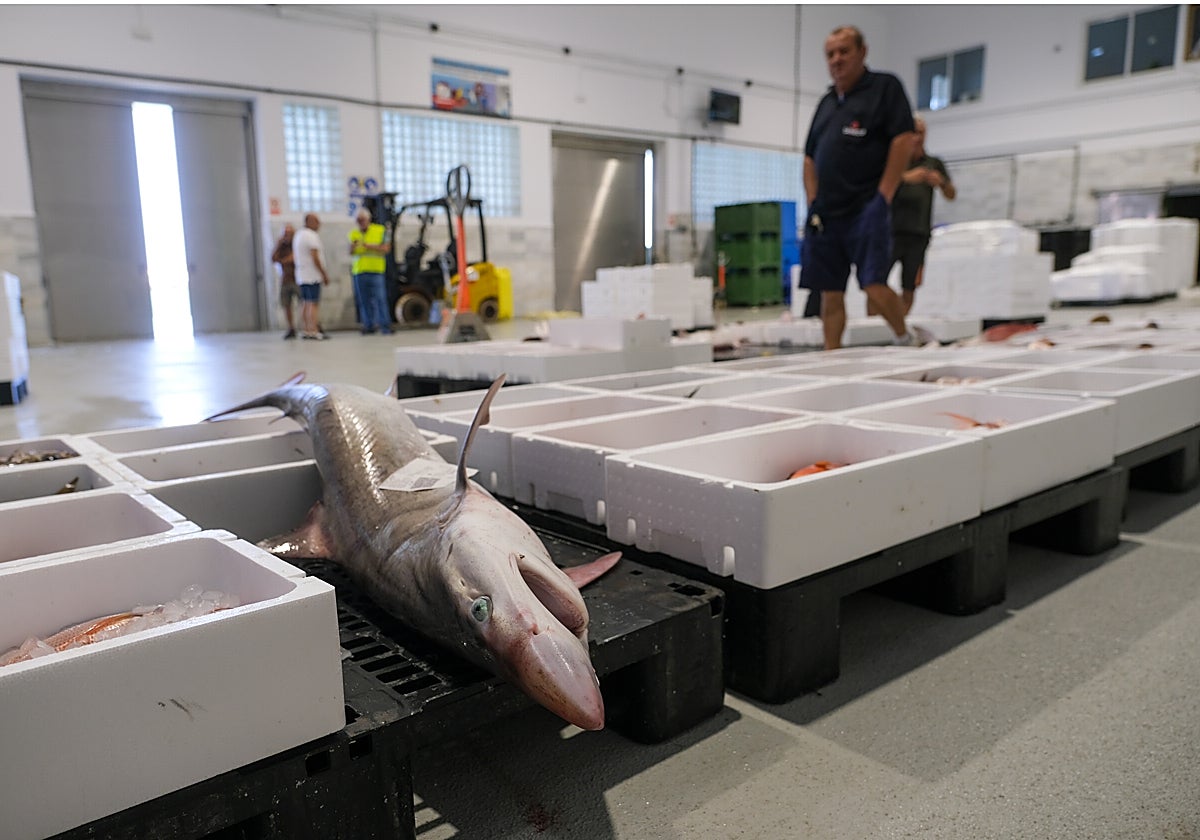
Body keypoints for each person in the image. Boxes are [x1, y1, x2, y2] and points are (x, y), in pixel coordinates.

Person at [800, 25, 930, 351]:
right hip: (827, 213)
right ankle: (831, 355)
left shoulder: (884, 89)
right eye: (830, 54)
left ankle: (905, 339)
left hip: (865, 207)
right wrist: (813, 201)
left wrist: (884, 195)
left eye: (844, 51)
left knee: (873, 283)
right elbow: (809, 158)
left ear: (862, 51)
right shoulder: (827, 103)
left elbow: (902, 139)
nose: (837, 59)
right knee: (830, 290)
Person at [889, 116, 956, 315]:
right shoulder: (894, 161)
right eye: (913, 132)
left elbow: (951, 194)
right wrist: (905, 178)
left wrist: (941, 182)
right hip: (890, 231)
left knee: (910, 284)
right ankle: (876, 321)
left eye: (921, 133)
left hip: (918, 233)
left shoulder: (934, 163)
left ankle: (900, 322)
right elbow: (877, 187)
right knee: (876, 280)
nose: (917, 138)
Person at [348, 208, 392, 335]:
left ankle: (385, 325)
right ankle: (369, 325)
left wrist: (368, 246)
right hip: (359, 271)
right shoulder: (353, 234)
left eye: (363, 220)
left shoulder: (380, 230)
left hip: (376, 271)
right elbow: (350, 252)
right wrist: (352, 247)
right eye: (358, 220)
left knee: (380, 299)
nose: (361, 222)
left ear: (369, 219)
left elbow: (386, 248)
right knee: (364, 301)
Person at [293, 213, 330, 340]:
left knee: (305, 302)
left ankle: (306, 329)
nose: (319, 224)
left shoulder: (299, 235)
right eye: (316, 221)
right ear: (309, 222)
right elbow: (315, 257)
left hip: (302, 275)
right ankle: (314, 330)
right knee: (313, 303)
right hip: (312, 275)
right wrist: (324, 274)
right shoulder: (311, 236)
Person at [271, 223, 299, 339]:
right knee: (286, 305)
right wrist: (278, 244)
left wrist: (283, 260)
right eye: (285, 234)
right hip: (285, 280)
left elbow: (294, 258)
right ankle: (291, 328)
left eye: (289, 233)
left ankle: (310, 325)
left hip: (297, 279)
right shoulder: (281, 247)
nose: (287, 236)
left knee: (305, 303)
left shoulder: (296, 244)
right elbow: (274, 258)